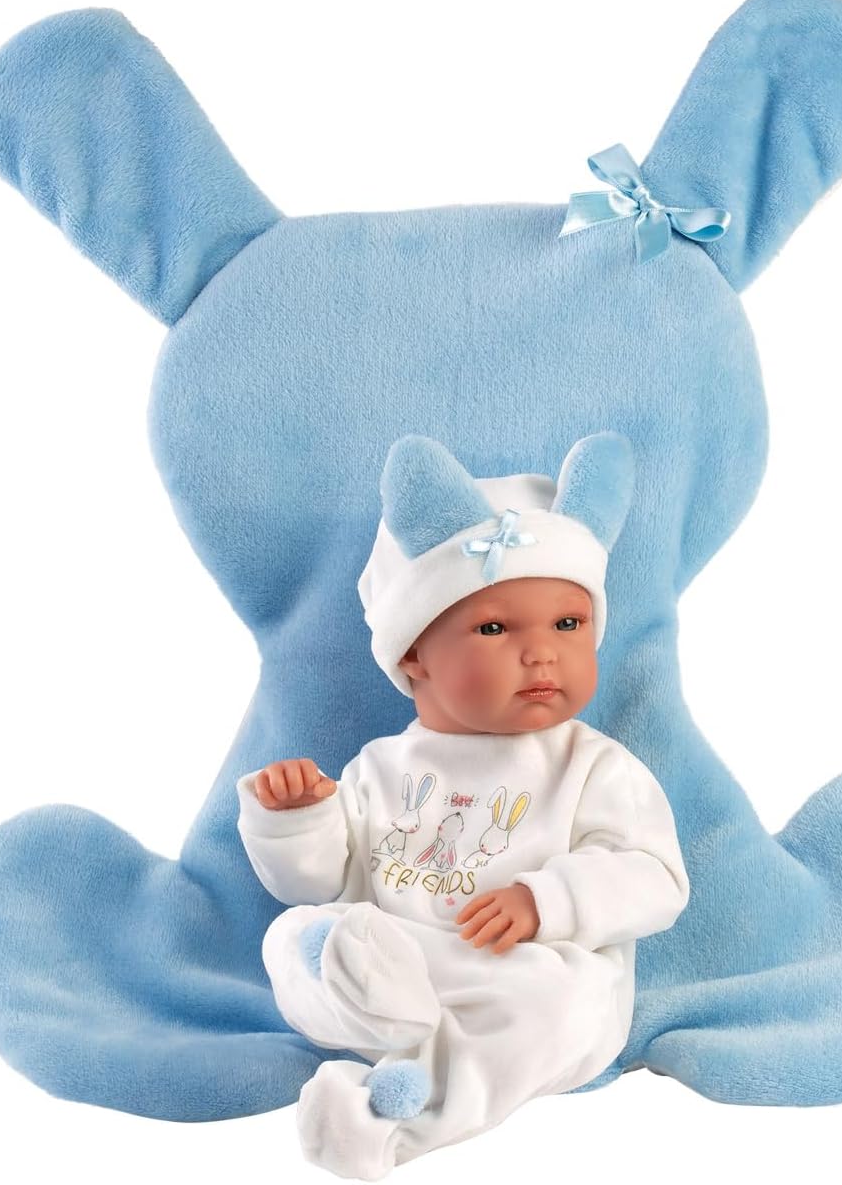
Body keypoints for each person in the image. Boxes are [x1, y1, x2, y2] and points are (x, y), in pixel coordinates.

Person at [236, 430, 690, 1179]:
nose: (542, 651)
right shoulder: (379, 767)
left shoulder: (592, 766)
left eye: (568, 624)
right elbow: (314, 882)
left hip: (519, 975)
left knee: (570, 1006)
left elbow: (656, 876)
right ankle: (392, 1014)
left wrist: (547, 902)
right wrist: (298, 819)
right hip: (392, 959)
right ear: (414, 653)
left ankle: (392, 1115)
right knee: (296, 936)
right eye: (495, 627)